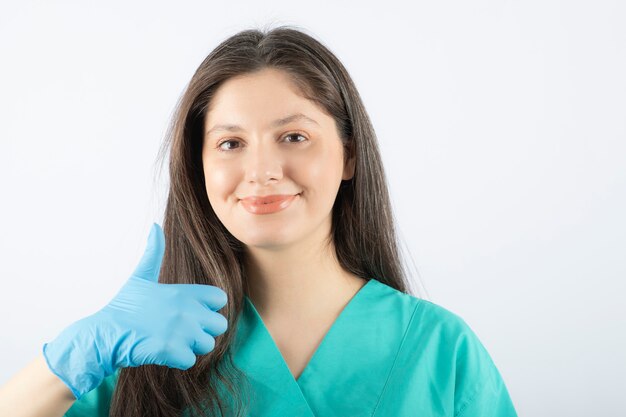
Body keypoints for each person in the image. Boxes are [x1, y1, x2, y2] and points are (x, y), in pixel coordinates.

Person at [0, 26, 518, 417]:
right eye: (230, 143)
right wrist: (67, 362)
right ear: (198, 166)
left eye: (294, 137)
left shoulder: (440, 351)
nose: (262, 171)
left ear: (350, 157)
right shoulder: (149, 353)